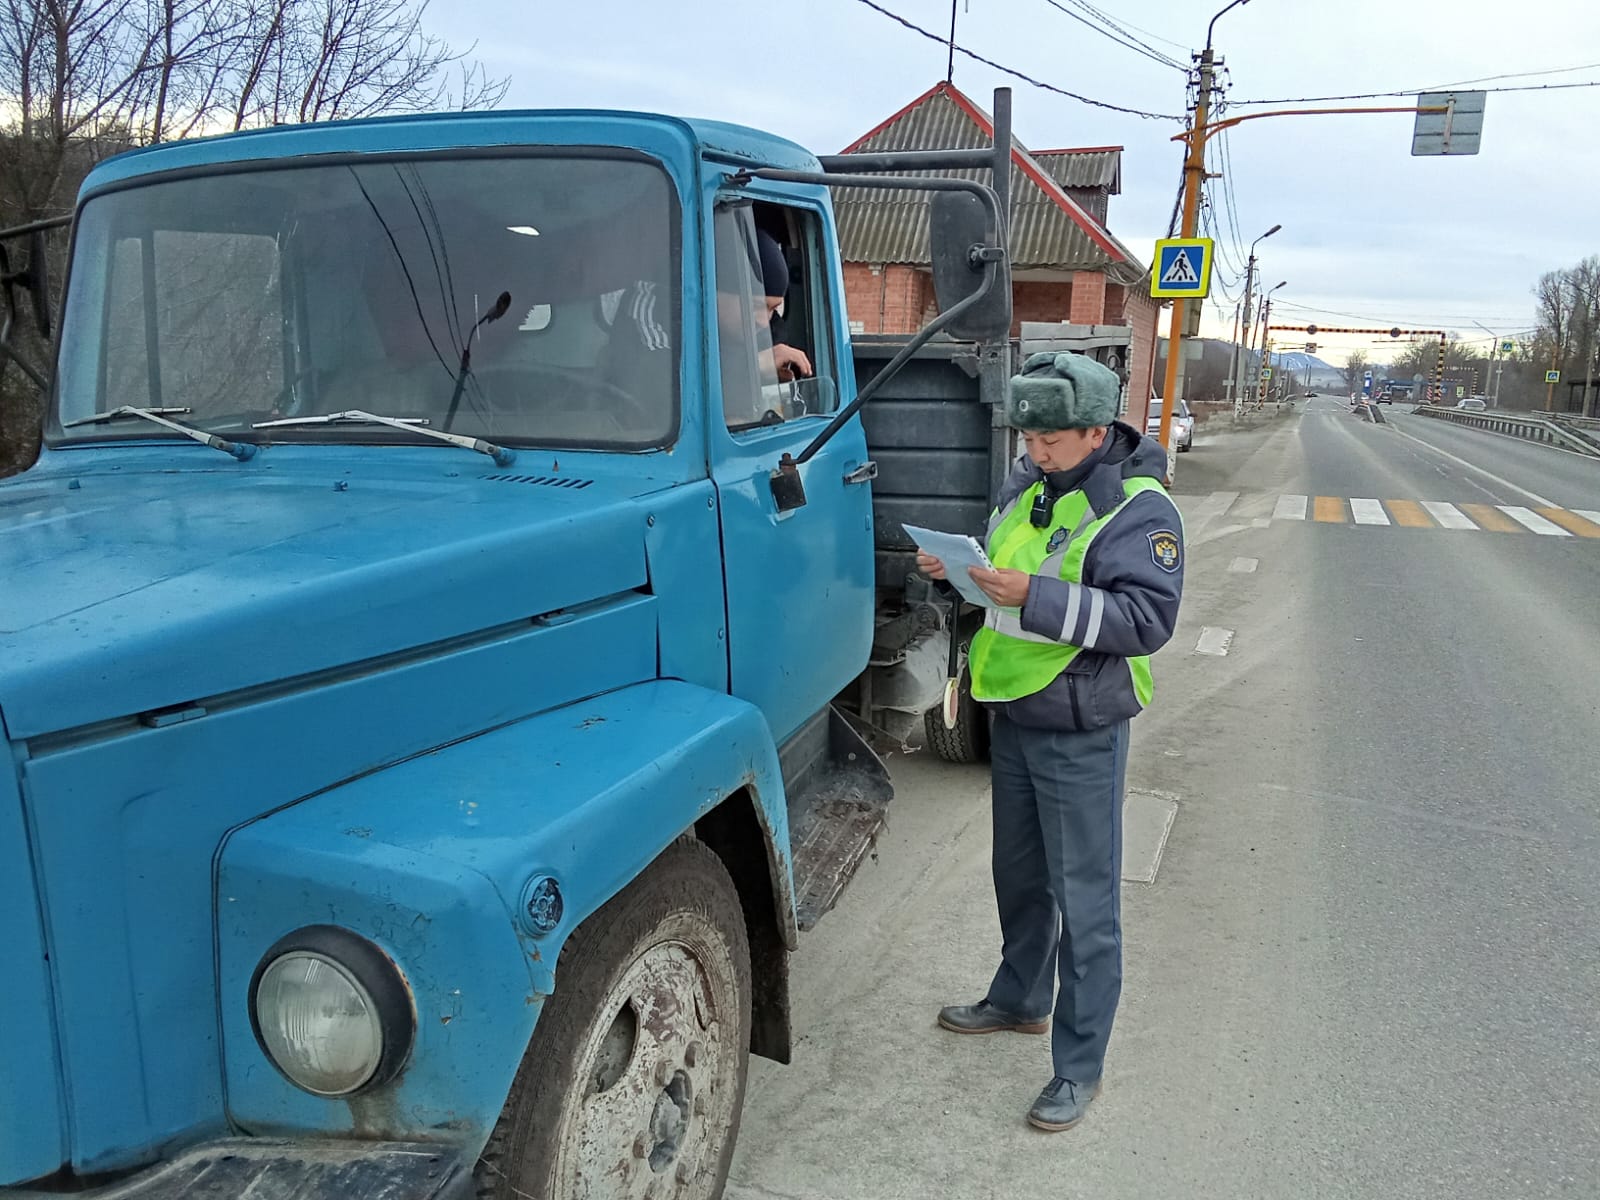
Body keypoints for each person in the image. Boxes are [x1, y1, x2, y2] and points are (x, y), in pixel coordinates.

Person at [917, 351, 1184, 1133]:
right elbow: (1004, 569)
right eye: (1028, 438)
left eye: (1052, 441)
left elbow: (1145, 621)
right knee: (1021, 876)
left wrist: (1035, 596)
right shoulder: (1027, 484)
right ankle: (1020, 998)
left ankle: (1079, 1067)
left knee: (1087, 903)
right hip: (1015, 711)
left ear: (1098, 432)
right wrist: (955, 571)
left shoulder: (1139, 507)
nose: (1035, 452)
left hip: (1080, 727)